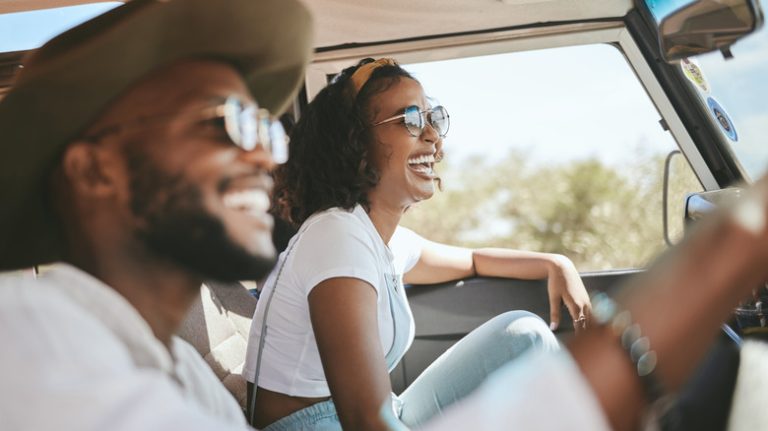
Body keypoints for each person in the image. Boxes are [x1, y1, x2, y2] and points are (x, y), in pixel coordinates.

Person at [0, 0, 312, 430]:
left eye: (264, 129)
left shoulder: (179, 367)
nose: (264, 157)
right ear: (94, 171)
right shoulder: (27, 336)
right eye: (228, 121)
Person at [243, 57, 592, 430]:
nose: (432, 136)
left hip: (372, 415)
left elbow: (474, 260)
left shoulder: (381, 240)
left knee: (523, 335)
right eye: (409, 119)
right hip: (314, 426)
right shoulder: (336, 238)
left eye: (433, 118)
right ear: (355, 142)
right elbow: (365, 421)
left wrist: (556, 264)